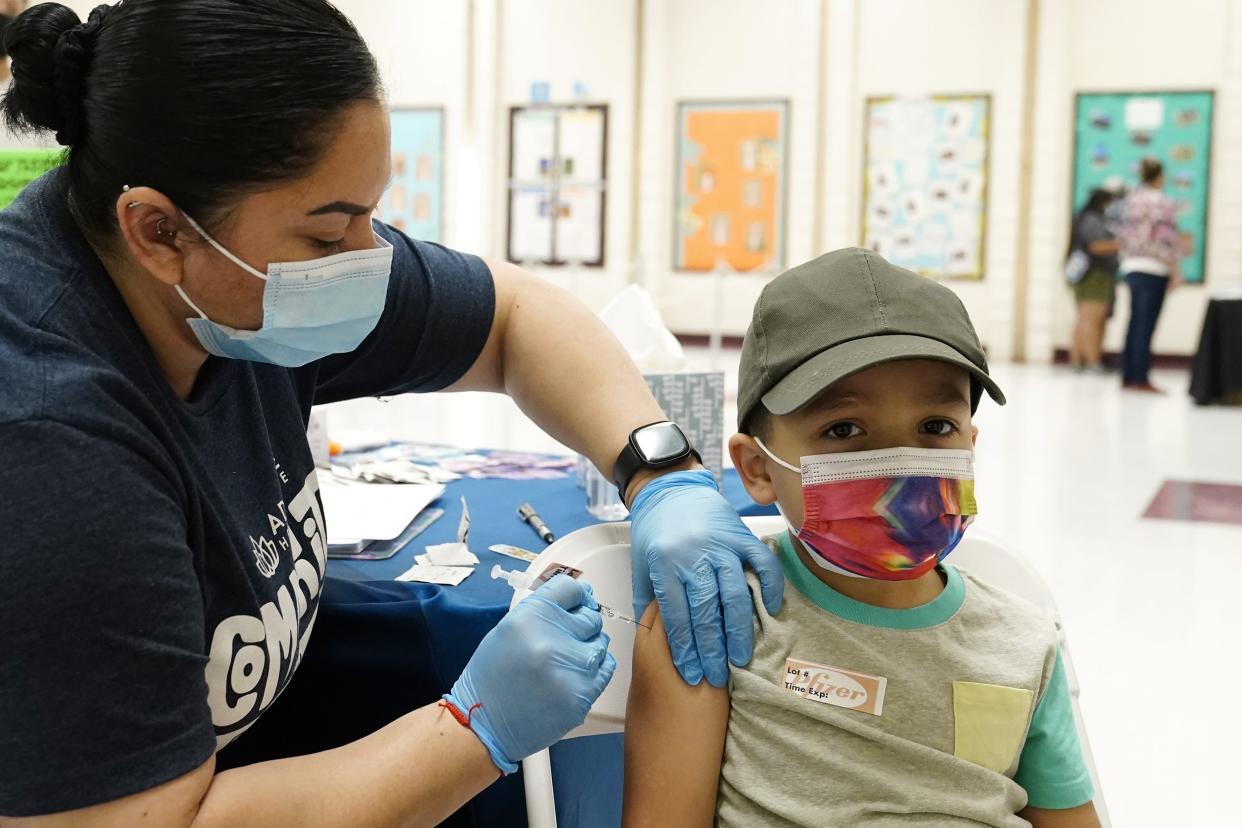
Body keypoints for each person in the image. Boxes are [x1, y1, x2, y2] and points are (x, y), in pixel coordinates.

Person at [0, 2, 782, 824]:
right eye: (331, 235)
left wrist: (661, 472)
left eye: (371, 212)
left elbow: (517, 319)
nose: (372, 263)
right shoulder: (51, 448)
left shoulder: (226, 287)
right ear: (159, 231)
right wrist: (472, 730)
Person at [624, 249, 1100, 827]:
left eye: (935, 427)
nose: (900, 465)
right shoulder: (715, 621)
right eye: (844, 429)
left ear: (971, 442)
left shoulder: (1023, 646)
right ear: (756, 468)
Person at [1116, 158, 1185, 393]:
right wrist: (1176, 271)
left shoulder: (1130, 201)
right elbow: (1168, 239)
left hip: (1132, 266)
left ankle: (1127, 374)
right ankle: (1140, 377)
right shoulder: (1163, 202)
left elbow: (1121, 234)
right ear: (1160, 177)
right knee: (1146, 324)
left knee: (1135, 321)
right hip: (1154, 268)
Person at [1066, 186, 1120, 373]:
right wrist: (1124, 243)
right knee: (1091, 319)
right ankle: (1091, 360)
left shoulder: (1087, 218)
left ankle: (1081, 359)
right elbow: (1096, 246)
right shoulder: (1093, 220)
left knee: (1086, 318)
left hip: (1093, 275)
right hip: (1094, 274)